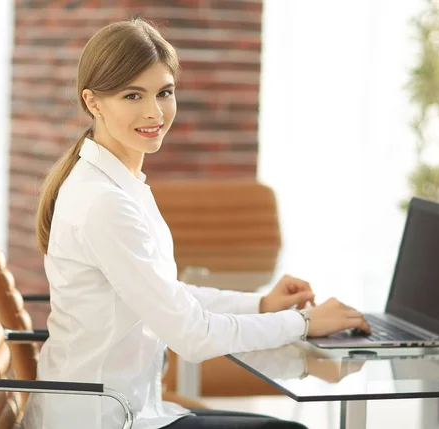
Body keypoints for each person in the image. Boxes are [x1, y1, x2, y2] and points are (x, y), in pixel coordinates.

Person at [21, 18, 371, 429]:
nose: (154, 112)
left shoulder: (117, 182)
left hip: (127, 406)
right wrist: (305, 322)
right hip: (102, 418)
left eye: (164, 92)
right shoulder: (103, 202)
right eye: (133, 95)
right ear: (94, 102)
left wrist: (260, 305)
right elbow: (190, 334)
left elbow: (168, 296)